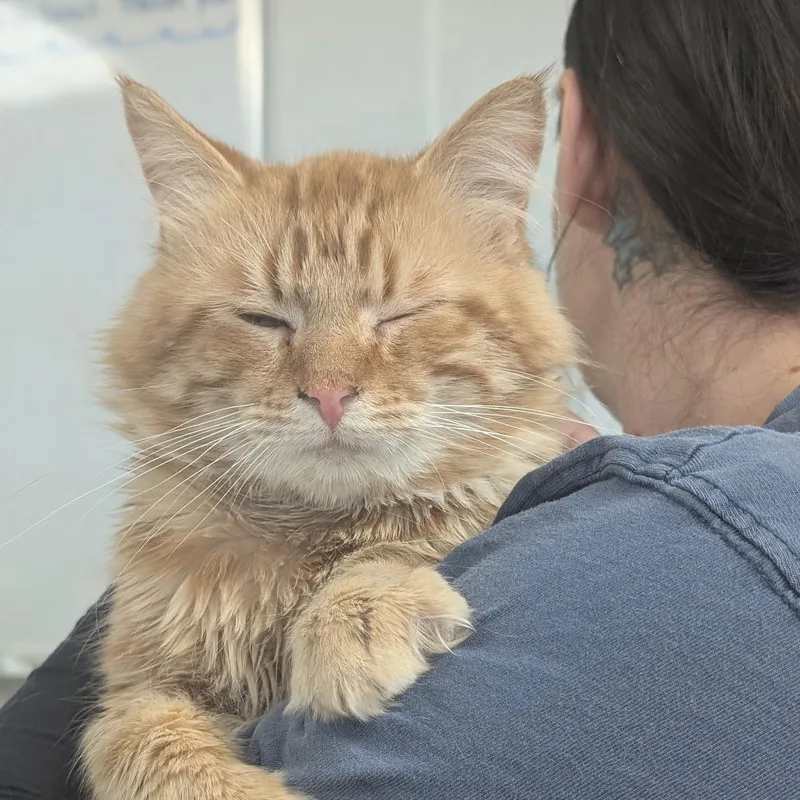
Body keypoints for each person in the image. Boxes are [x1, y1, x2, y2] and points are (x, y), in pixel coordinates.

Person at [4, 0, 800, 796]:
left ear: (575, 149)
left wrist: (377, 573)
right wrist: (153, 743)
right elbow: (146, 705)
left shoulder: (609, 533)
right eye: (259, 319)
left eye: (403, 317)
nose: (329, 385)